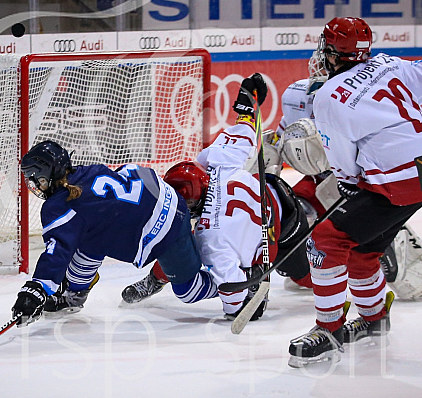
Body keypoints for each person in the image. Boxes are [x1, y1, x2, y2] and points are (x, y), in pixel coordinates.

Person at [286, 17, 422, 367]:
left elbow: (342, 162)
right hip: (421, 179)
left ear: (334, 53)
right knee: (364, 250)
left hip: (389, 185)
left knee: (325, 240)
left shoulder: (328, 97)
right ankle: (373, 319)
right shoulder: (388, 65)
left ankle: (328, 331)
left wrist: (348, 184)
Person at [121, 73, 311, 321]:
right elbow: (244, 129)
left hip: (282, 230)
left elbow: (234, 304)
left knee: (303, 277)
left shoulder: (212, 238)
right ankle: (157, 278)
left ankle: (251, 274)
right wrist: (247, 104)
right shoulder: (220, 163)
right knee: (187, 243)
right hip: (278, 197)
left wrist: (241, 303)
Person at [270, 51, 422, 301]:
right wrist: (266, 184)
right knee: (292, 212)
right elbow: (277, 140)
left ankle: (416, 277)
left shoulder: (361, 95)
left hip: (361, 180)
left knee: (371, 227)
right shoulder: (297, 97)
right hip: (324, 179)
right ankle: (310, 272)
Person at [11, 140, 211, 326]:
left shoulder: (59, 206)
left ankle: (234, 284)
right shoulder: (88, 171)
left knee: (188, 291)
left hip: (168, 227)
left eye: (34, 179)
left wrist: (36, 290)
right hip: (166, 197)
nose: (34, 185)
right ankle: (77, 292)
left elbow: (57, 251)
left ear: (45, 176)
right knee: (91, 234)